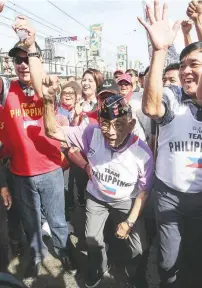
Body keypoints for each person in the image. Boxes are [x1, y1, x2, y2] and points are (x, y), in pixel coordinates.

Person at [40, 75, 153, 288]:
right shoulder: (91, 132)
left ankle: (135, 274)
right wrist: (47, 101)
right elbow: (52, 131)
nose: (111, 133)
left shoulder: (142, 151)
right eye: (105, 125)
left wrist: (129, 222)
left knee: (139, 247)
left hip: (126, 199)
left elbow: (145, 191)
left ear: (131, 124)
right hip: (97, 196)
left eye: (119, 125)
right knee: (92, 239)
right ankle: (100, 266)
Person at [0, 11, 76, 277]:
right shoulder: (6, 91)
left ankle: (65, 254)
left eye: (26, 60)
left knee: (56, 221)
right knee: (31, 223)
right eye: (16, 60)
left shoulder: (46, 86)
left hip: (50, 170)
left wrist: (32, 47)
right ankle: (35, 258)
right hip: (20, 175)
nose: (21, 65)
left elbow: (40, 85)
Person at [138, 1, 202, 287]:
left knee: (195, 259)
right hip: (168, 197)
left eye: (194, 65)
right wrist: (161, 51)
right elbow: (152, 107)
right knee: (167, 263)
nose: (186, 71)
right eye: (183, 65)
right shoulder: (174, 95)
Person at [117, 73, 148, 142]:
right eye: (121, 84)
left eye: (126, 84)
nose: (123, 86)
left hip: (141, 137)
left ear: (131, 86)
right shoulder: (115, 101)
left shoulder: (139, 97)